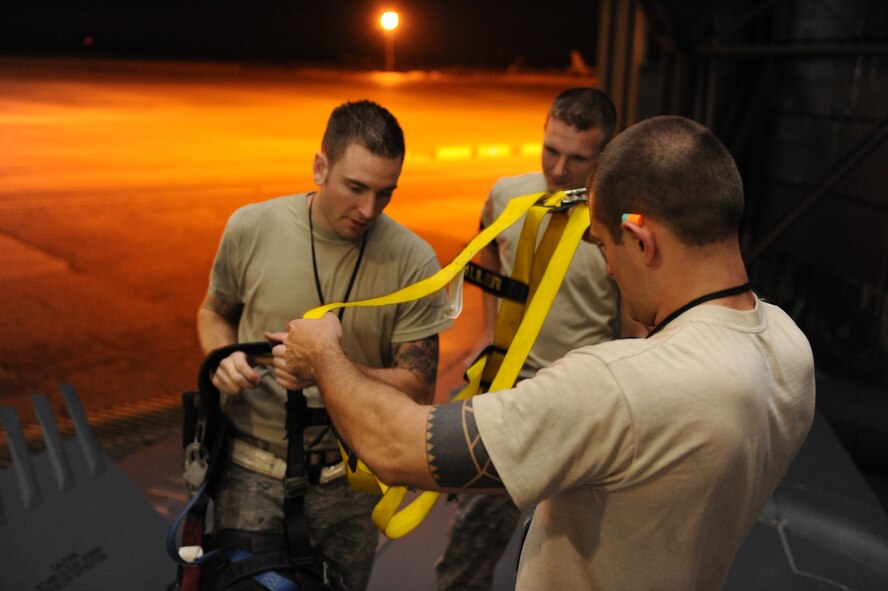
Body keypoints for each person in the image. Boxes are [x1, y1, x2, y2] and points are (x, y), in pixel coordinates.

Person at [277, 115, 816, 590]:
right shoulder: (789, 347)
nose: (606, 268)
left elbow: (396, 448)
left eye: (603, 246)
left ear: (640, 239)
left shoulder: (615, 387)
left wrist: (324, 353)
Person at [197, 99, 452, 590]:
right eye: (355, 188)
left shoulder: (415, 261)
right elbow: (215, 309)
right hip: (252, 468)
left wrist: (327, 369)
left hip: (350, 480)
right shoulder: (252, 227)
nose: (368, 210)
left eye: (385, 193)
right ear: (320, 167)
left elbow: (418, 388)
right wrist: (222, 357)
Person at [437, 87, 644, 591]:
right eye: (551, 149)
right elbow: (487, 246)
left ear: (606, 152)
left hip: (581, 406)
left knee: (575, 565)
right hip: (509, 397)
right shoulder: (509, 194)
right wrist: (489, 329)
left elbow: (639, 322)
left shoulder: (625, 221)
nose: (558, 167)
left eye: (577, 157)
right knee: (464, 559)